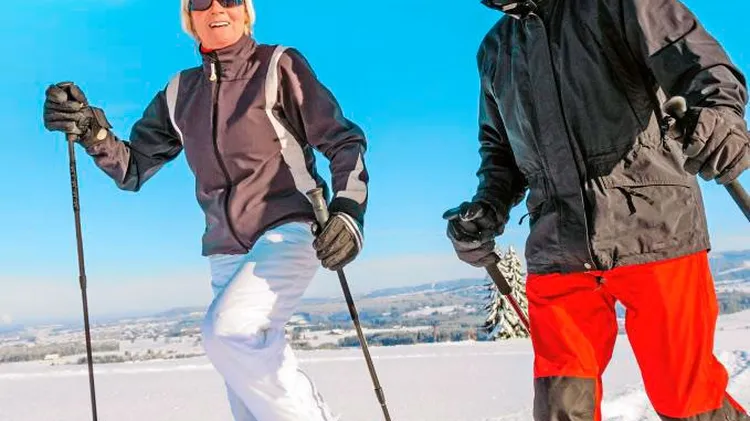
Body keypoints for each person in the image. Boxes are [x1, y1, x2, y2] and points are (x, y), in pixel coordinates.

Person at [43, 0, 368, 419]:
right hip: (223, 250)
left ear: (246, 11)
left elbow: (343, 140)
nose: (216, 8)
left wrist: (347, 210)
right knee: (246, 397)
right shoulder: (180, 91)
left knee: (229, 332)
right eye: (200, 1)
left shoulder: (278, 66)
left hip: (287, 229)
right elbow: (133, 168)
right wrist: (93, 131)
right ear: (189, 18)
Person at [444, 0, 749, 420]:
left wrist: (720, 116)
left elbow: (702, 65)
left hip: (655, 229)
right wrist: (487, 207)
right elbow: (500, 152)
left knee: (688, 401)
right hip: (557, 248)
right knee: (561, 409)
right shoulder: (495, 49)